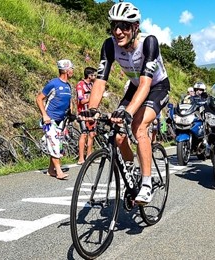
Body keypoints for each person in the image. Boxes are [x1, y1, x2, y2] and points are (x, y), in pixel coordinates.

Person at [79, 2, 170, 204]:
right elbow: (100, 81)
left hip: (156, 87)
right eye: (114, 26)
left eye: (125, 26)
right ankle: (130, 173)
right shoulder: (109, 45)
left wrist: (128, 112)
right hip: (134, 87)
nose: (118, 31)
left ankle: (146, 183)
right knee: (119, 137)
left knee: (138, 127)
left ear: (136, 27)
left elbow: (146, 85)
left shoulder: (149, 43)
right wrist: (91, 109)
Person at [35, 59, 75, 180]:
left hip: (61, 120)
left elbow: (69, 100)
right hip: (49, 120)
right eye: (72, 69)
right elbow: (39, 99)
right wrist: (45, 115)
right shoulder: (53, 83)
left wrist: (71, 113)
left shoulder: (68, 85)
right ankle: (58, 171)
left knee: (59, 144)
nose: (73, 71)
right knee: (54, 143)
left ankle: (50, 170)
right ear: (67, 71)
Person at [76, 67, 97, 165]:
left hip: (92, 112)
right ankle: (81, 158)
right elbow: (81, 100)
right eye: (94, 75)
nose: (95, 76)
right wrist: (93, 96)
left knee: (92, 134)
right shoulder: (80, 85)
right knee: (84, 133)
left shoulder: (93, 84)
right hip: (83, 113)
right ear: (89, 75)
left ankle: (89, 156)